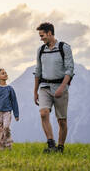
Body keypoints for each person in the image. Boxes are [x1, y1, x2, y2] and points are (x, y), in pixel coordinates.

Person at [33, 22, 74, 153]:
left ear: (49, 33)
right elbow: (38, 71)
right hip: (44, 87)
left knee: (61, 120)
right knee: (43, 113)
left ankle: (60, 148)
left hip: (60, 87)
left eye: (42, 35)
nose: (41, 38)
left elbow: (70, 70)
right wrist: (35, 91)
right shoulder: (41, 50)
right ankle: (51, 144)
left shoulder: (64, 48)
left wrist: (62, 87)